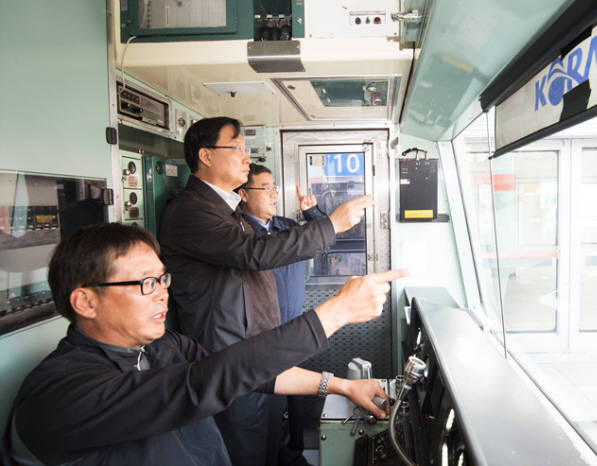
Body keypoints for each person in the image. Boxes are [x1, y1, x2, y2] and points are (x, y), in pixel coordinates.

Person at [2, 223, 405, 466]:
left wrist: (342, 386)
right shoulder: (60, 394)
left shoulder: (163, 347)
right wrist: (336, 312)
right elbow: (203, 384)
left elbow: (248, 373)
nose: (161, 294)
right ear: (85, 301)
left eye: (162, 280)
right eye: (145, 283)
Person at [158, 117, 375, 465]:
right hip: (228, 363)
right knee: (247, 453)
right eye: (238, 148)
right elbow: (255, 254)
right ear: (206, 155)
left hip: (257, 357)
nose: (247, 156)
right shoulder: (191, 212)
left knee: (272, 445)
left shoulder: (228, 213)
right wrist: (332, 223)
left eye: (247, 149)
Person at [238, 164, 326, 462]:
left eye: (274, 188)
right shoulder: (238, 235)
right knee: (268, 407)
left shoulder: (286, 227)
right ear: (243, 194)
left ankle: (293, 454)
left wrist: (313, 213)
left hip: (292, 327)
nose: (273, 194)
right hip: (260, 334)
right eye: (266, 188)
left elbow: (326, 236)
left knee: (295, 401)